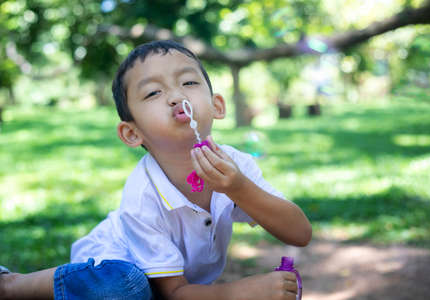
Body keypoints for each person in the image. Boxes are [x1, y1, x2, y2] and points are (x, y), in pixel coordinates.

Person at [0, 40, 312, 300]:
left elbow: (299, 233)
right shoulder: (143, 195)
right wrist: (238, 293)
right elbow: (173, 293)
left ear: (217, 105)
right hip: (111, 266)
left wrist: (240, 189)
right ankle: (12, 285)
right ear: (132, 134)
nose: (177, 97)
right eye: (153, 93)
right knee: (127, 287)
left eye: (188, 82)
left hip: (169, 284)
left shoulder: (236, 166)